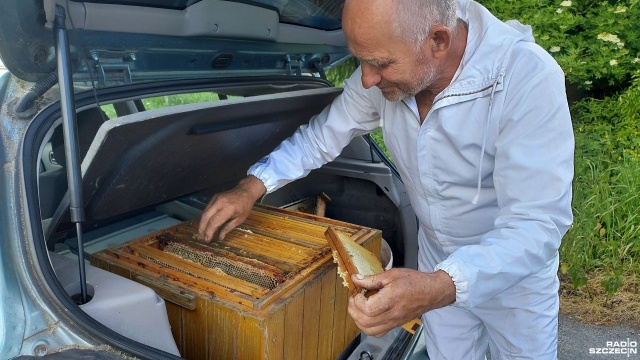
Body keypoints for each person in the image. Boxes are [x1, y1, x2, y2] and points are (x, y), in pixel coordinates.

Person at [198, 0, 574, 358]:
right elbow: (320, 137)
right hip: (434, 258)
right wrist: (252, 186)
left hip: (513, 277)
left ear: (438, 41)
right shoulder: (384, 70)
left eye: (379, 64)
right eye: (360, 60)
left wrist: (439, 285)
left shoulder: (524, 77)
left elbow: (537, 223)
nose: (366, 79)